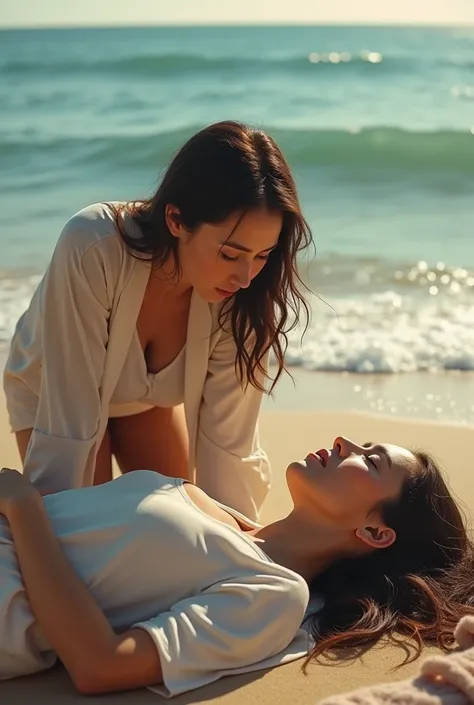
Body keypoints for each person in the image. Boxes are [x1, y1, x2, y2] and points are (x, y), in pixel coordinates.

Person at [2, 121, 312, 519]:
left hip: (145, 404)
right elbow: (69, 431)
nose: (246, 275)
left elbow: (229, 454)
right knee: (80, 527)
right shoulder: (93, 246)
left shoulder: (247, 295)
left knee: (182, 528)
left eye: (263, 254)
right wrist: (53, 535)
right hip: (51, 395)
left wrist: (240, 562)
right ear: (176, 220)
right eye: (231, 254)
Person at [0, 436, 472, 698]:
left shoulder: (274, 593)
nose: (343, 441)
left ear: (375, 533)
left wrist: (23, 511)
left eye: (370, 461)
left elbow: (100, 665)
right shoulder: (206, 501)